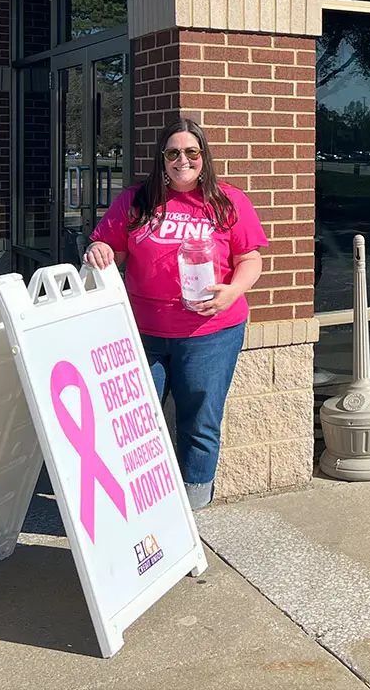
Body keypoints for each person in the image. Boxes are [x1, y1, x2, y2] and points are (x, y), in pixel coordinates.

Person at [84, 117, 267, 510]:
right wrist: (100, 251)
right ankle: (138, 504)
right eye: (172, 153)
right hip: (143, 333)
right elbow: (110, 249)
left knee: (199, 422)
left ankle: (192, 507)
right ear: (161, 160)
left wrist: (233, 290)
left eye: (191, 152)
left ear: (204, 156)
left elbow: (250, 259)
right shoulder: (136, 200)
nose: (182, 160)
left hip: (211, 332)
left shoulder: (228, 201)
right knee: (134, 421)